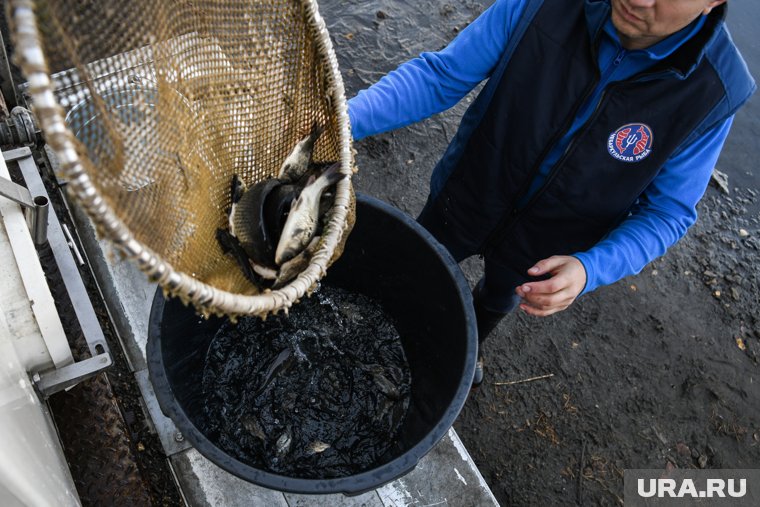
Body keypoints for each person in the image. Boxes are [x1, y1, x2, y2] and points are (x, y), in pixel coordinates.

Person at [347, 0, 755, 387]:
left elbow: (667, 212)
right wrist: (343, 123)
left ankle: (472, 343)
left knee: (498, 294)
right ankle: (387, 319)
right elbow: (439, 76)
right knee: (418, 264)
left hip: (548, 245)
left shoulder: (716, 89)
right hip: (468, 191)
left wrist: (590, 268)